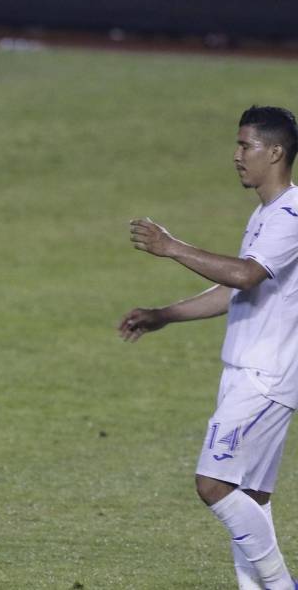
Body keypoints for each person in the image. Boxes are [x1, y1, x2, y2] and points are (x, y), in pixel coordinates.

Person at [120, 106, 298, 590]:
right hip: (248, 373)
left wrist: (172, 246)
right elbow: (237, 289)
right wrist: (165, 315)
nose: (237, 156)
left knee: (213, 484)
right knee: (252, 499)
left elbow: (244, 275)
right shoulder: (267, 215)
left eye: (246, 146)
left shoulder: (290, 216)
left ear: (275, 152)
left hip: (264, 377)